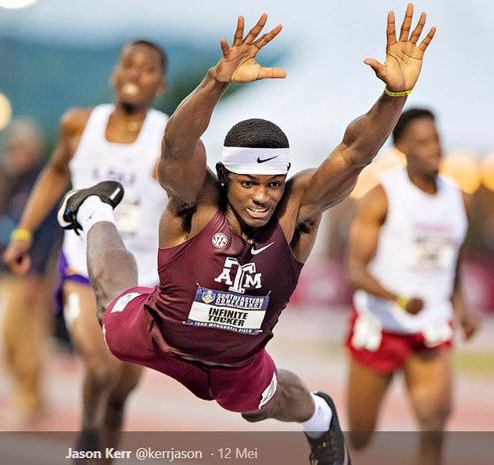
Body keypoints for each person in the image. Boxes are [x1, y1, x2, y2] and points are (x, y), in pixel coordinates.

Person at [54, 6, 435, 465]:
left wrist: (396, 94)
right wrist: (216, 81)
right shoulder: (197, 200)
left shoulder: (300, 210)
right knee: (109, 310)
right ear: (224, 176)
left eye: (273, 184)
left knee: (260, 408)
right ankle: (94, 208)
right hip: (158, 334)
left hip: (237, 362)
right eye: (248, 184)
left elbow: (354, 154)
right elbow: (175, 146)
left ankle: (319, 418)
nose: (262, 198)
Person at [3, 40, 169, 456]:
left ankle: (102, 443)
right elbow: (56, 172)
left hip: (144, 277)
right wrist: (23, 233)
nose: (134, 73)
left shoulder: (169, 136)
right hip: (83, 265)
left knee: (122, 389)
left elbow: (195, 197)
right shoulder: (79, 126)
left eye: (147, 68)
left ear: (161, 84)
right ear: (114, 74)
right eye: (128, 64)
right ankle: (87, 431)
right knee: (100, 365)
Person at [344, 108, 481, 465]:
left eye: (436, 139)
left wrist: (463, 311)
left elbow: (454, 265)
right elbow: (356, 271)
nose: (434, 148)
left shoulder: (459, 199)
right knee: (358, 436)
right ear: (401, 148)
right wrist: (399, 299)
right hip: (381, 325)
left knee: (434, 421)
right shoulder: (382, 196)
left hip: (431, 324)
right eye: (422, 142)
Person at [0, 120, 63, 426]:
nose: (13, 155)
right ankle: (30, 398)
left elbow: (48, 234)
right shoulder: (14, 182)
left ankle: (29, 402)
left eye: (18, 149)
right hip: (9, 271)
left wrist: (40, 273)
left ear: (30, 150)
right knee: (13, 338)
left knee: (23, 337)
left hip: (30, 274)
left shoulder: (41, 184)